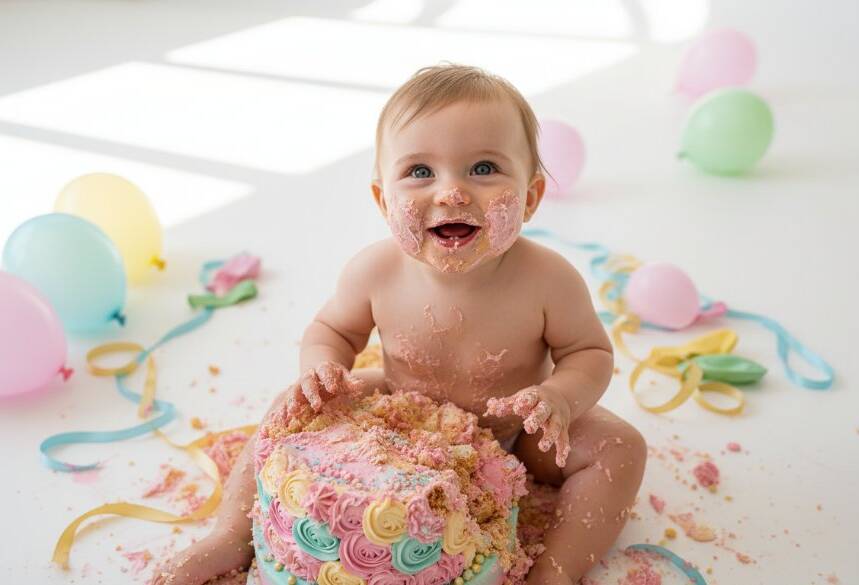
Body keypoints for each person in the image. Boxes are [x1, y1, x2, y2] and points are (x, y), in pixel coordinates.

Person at [154, 62, 646, 585]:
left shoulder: (549, 279)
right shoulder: (375, 270)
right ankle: (231, 534)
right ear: (382, 199)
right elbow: (334, 331)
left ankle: (556, 569)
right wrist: (323, 369)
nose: (452, 193)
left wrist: (560, 399)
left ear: (530, 197)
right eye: (419, 172)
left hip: (515, 433)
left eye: (483, 168)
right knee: (286, 407)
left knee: (621, 449)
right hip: (396, 414)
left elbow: (589, 353)